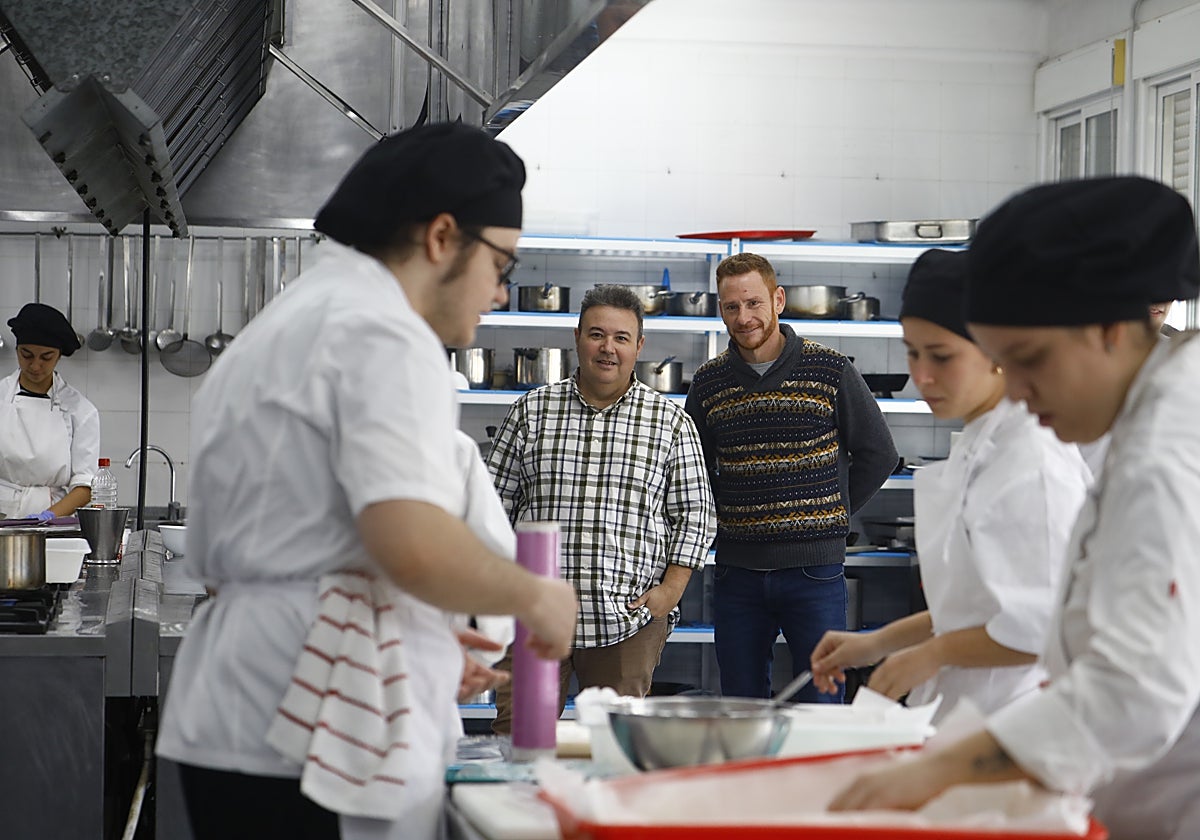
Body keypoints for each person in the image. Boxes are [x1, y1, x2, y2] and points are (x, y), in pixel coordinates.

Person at [155, 123, 577, 840]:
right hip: (314, 733)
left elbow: (322, 541)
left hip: (246, 708)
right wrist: (535, 596)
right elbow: (408, 542)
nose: (500, 292)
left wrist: (429, 632)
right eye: (500, 263)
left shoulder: (301, 314)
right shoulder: (385, 331)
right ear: (443, 236)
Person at [827, 176, 1200, 840]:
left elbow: (1135, 694)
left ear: (1111, 330)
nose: (1019, 393)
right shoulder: (1141, 417)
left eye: (1029, 361)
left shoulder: (1167, 456)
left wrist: (937, 771)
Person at [809, 249, 1090, 722]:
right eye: (912, 352)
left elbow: (1041, 625)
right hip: (964, 713)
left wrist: (929, 655)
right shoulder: (980, 442)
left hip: (1022, 717)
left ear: (998, 352)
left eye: (941, 356)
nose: (922, 375)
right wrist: (879, 642)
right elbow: (977, 603)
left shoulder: (1032, 461)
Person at [486, 283, 716, 733]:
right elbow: (491, 505)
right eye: (596, 334)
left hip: (626, 622)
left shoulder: (669, 423)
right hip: (536, 619)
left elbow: (696, 514)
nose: (607, 348)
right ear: (577, 337)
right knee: (518, 742)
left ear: (639, 346)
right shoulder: (532, 411)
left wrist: (668, 594)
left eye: (621, 337)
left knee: (616, 750)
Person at [685, 253, 898, 704]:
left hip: (814, 573)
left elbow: (880, 454)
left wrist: (831, 512)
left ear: (777, 300)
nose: (744, 318)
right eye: (731, 307)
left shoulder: (830, 370)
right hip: (737, 572)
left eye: (754, 303)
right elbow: (694, 472)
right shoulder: (708, 383)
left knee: (822, 704)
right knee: (741, 705)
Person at [0, 302, 99, 519]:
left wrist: (47, 517)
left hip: (54, 521)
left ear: (59, 356)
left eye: (46, 357)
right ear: (17, 350)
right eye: (27, 355)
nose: (35, 366)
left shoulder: (81, 411)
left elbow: (84, 485)